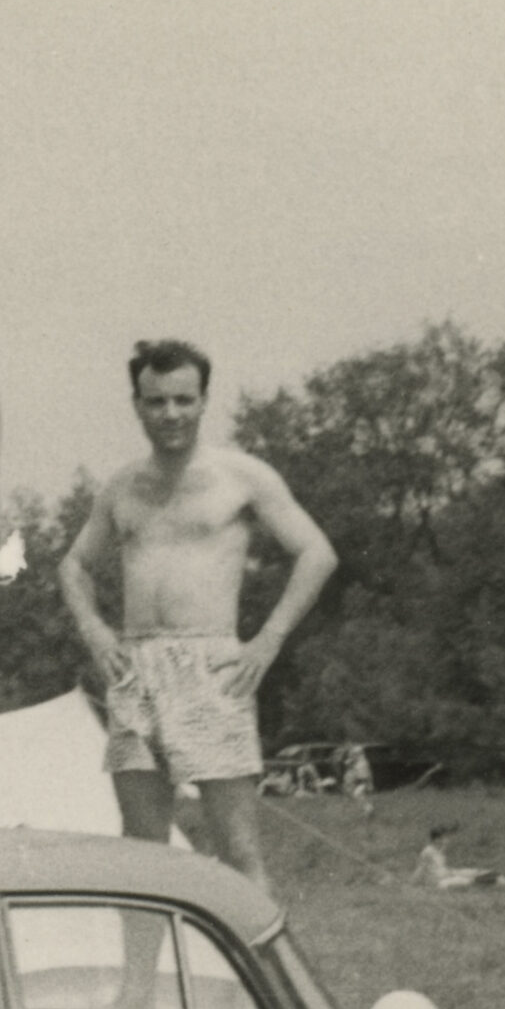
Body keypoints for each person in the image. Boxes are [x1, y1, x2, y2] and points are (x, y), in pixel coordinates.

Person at [57, 340, 339, 893]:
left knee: (237, 850)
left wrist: (268, 639)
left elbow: (317, 553)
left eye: (183, 400)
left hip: (212, 664)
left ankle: (262, 979)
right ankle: (141, 982)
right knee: (142, 850)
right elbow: (73, 565)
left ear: (204, 401)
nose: (170, 415)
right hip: (136, 668)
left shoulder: (241, 475)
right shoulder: (121, 485)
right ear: (137, 404)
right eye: (156, 401)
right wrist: (94, 629)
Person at [414, 824, 505, 889]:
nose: (447, 840)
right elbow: (421, 869)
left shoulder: (439, 850)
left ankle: (490, 875)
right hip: (439, 883)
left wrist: (450, 872)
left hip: (446, 876)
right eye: (445, 837)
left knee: (468, 872)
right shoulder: (428, 851)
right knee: (467, 881)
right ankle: (492, 880)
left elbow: (438, 867)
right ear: (437, 839)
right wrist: (413, 884)